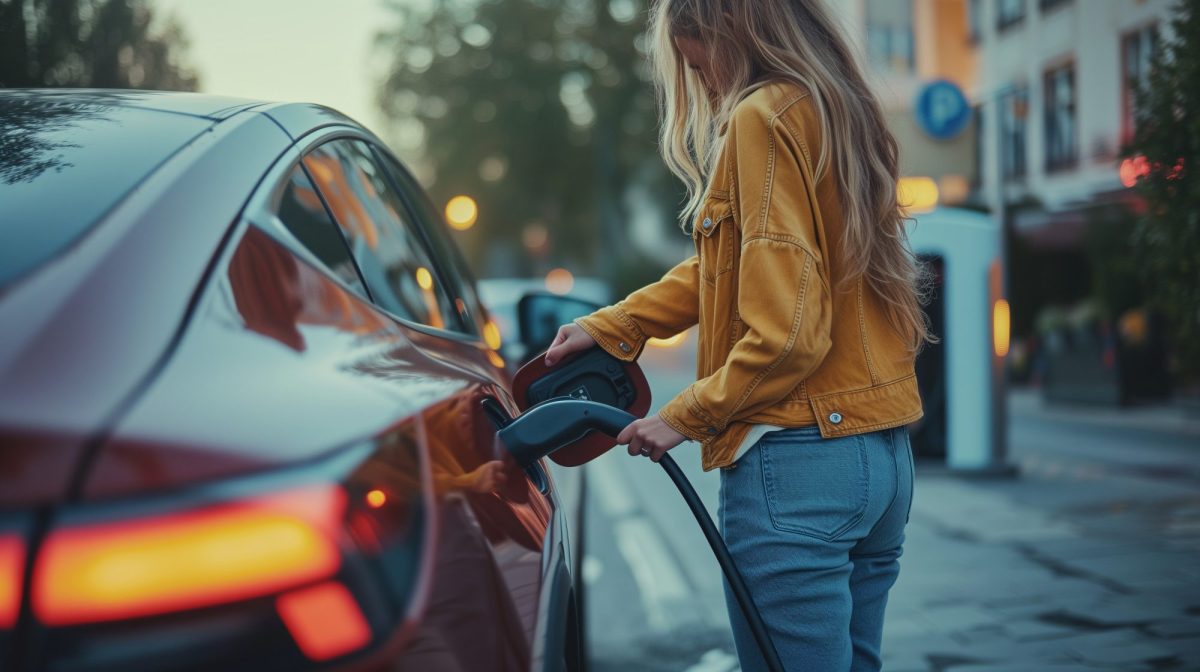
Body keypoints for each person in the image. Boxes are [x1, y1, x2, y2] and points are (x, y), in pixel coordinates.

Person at [543, 1, 928, 670]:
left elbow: (788, 337)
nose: (705, 85)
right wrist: (613, 325)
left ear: (731, 35)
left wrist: (683, 417)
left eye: (698, 64)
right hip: (882, 459)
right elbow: (728, 267)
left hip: (798, 464)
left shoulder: (760, 119)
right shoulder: (835, 108)